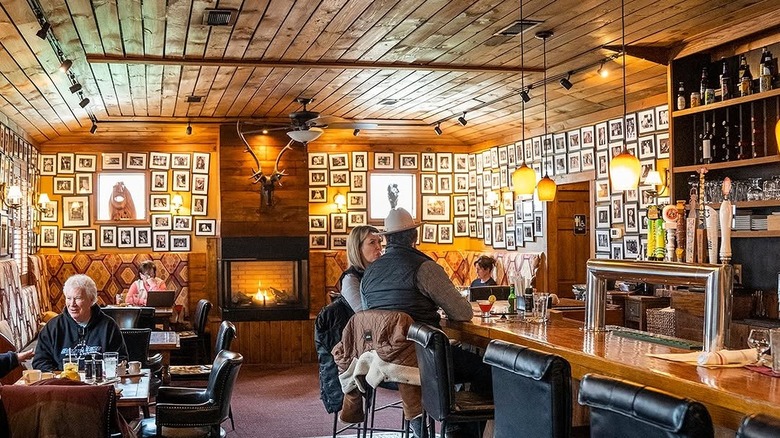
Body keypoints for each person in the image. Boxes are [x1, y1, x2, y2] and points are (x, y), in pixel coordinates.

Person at [360, 208, 490, 438]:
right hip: (423, 363)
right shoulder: (425, 267)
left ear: (387, 238)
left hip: (381, 365)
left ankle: (449, 422)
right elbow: (462, 312)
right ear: (414, 237)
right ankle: (456, 429)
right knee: (488, 369)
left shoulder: (368, 274)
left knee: (460, 359)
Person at [33, 274, 128, 372]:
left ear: (91, 300)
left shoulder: (108, 326)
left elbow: (120, 359)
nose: (72, 304)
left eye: (78, 298)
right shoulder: (52, 327)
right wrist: (57, 377)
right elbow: (40, 361)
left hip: (97, 384)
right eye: (69, 298)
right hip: (63, 384)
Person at [340, 226, 382, 312]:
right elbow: (364, 315)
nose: (379, 247)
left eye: (379, 242)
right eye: (372, 242)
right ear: (358, 248)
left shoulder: (380, 273)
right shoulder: (350, 279)